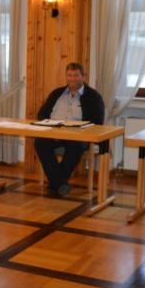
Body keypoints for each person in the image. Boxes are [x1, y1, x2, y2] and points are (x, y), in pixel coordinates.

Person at [34, 62, 105, 197]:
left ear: (83, 76)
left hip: (78, 136)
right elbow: (41, 114)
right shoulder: (57, 93)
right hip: (54, 133)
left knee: (75, 146)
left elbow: (98, 122)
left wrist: (80, 128)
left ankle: (56, 183)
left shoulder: (93, 96)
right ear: (66, 76)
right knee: (40, 142)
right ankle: (60, 183)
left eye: (76, 75)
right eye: (70, 75)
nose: (73, 79)